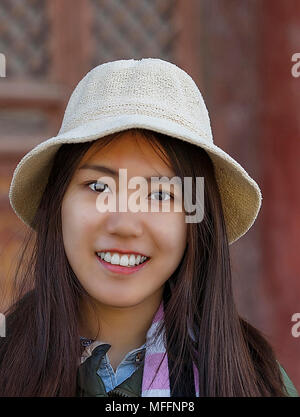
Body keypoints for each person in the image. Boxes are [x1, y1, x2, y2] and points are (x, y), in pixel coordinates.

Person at [0, 58, 298, 397]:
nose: (125, 224)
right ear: (57, 205)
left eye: (159, 194)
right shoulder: (7, 364)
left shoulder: (253, 381)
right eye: (98, 187)